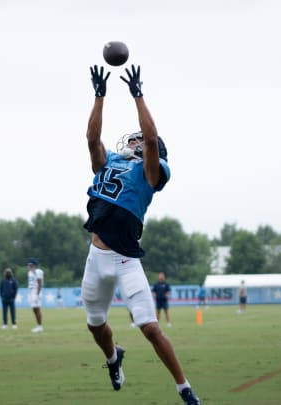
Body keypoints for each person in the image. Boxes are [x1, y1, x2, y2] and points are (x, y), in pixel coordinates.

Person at [79, 64, 201, 404]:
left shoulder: (151, 171)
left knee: (149, 327)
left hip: (125, 260)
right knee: (95, 325)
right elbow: (91, 139)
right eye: (130, 139)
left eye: (137, 140)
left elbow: (149, 138)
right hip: (95, 257)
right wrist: (99, 97)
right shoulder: (111, 163)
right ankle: (113, 358)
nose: (131, 142)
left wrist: (137, 95)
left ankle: (184, 387)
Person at [27, 258, 44, 333]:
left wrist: (37, 294)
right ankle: (38, 326)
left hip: (36, 291)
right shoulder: (30, 273)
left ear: (33, 265)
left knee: (37, 309)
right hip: (31, 292)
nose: (28, 266)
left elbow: (39, 283)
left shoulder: (38, 271)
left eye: (30, 265)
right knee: (34, 309)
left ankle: (39, 326)